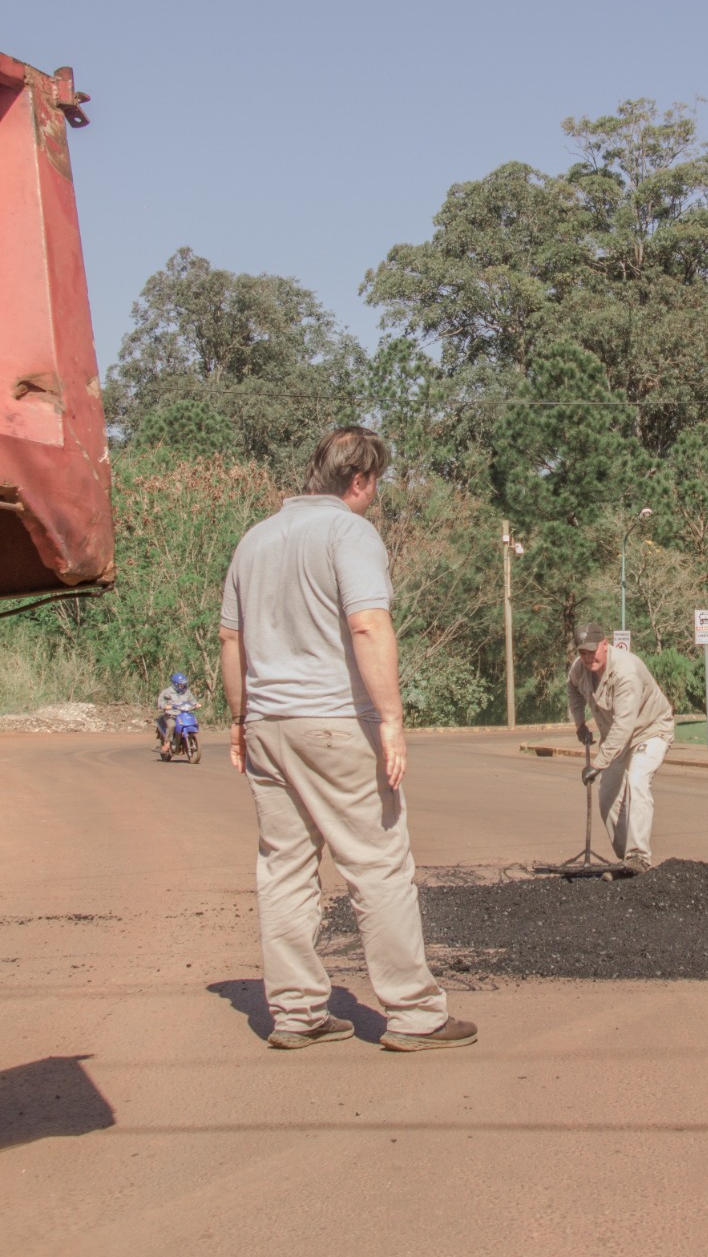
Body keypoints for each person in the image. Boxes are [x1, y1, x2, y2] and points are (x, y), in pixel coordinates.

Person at [219, 426, 477, 1053]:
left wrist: (239, 719)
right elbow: (367, 625)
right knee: (377, 865)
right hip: (334, 721)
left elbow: (231, 639)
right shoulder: (349, 532)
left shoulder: (255, 539)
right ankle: (414, 1015)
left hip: (268, 725)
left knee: (284, 870)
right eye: (375, 483)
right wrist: (391, 718)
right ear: (358, 480)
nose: (375, 495)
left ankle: (297, 1012)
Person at [566, 623, 674, 873]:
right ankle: (629, 860)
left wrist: (597, 764)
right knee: (607, 799)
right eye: (582, 652)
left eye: (592, 651)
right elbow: (572, 688)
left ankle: (639, 857)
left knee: (637, 780)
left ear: (605, 644)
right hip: (616, 739)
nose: (587, 658)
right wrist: (580, 724)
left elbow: (624, 726)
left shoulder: (627, 672)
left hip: (650, 731)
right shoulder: (579, 668)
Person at [156, 671, 200, 760]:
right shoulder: (167, 692)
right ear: (175, 684)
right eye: (181, 685)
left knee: (194, 722)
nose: (182, 686)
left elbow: (192, 700)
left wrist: (196, 704)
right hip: (171, 715)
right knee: (172, 725)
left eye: (184, 685)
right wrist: (165, 706)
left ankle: (187, 740)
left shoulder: (187, 691)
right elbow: (160, 702)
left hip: (184, 714)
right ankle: (167, 743)